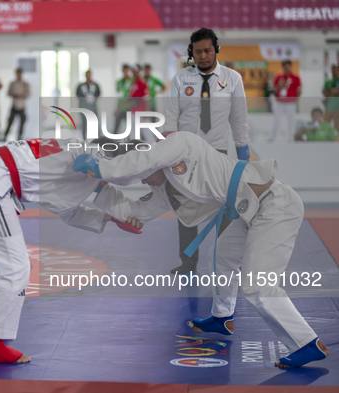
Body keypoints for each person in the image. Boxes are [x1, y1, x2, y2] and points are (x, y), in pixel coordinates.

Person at [74, 131, 329, 369]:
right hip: (246, 212)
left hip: (276, 205)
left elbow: (144, 159)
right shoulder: (164, 191)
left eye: (142, 172)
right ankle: (222, 318)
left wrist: (101, 167)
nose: (143, 179)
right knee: (221, 257)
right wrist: (100, 186)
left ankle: (306, 342)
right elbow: (136, 211)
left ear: (145, 159)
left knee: (257, 283)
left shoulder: (182, 144)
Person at [0, 137, 143, 364]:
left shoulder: (73, 148)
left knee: (4, 263)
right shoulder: (94, 156)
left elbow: (68, 211)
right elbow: (86, 162)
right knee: (14, 267)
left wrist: (110, 217)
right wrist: (100, 172)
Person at [164, 27, 250, 275]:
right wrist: (169, 150)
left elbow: (239, 119)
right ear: (192, 53)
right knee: (185, 209)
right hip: (187, 155)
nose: (203, 56)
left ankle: (227, 261)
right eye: (198, 51)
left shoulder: (232, 79)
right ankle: (188, 263)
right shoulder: (181, 78)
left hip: (218, 154)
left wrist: (243, 155)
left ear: (216, 50)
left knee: (224, 211)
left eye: (208, 50)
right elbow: (171, 116)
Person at [270, 59, 302, 142]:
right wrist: (280, 85)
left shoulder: (295, 77)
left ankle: (291, 138)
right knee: (277, 120)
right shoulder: (279, 76)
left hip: (291, 102)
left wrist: (296, 100)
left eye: (288, 67)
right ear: (283, 67)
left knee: (291, 120)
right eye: (285, 67)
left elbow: (299, 89)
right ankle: (273, 137)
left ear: (290, 66)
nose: (287, 68)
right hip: (280, 102)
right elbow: (274, 89)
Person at [3, 68, 30, 141]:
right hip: (14, 106)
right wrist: (15, 95)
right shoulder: (12, 83)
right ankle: (4, 137)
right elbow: (8, 93)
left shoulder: (25, 84)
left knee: (21, 124)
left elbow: (28, 94)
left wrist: (21, 95)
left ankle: (19, 138)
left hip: (22, 106)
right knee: (9, 123)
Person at [76, 70, 101, 139]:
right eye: (87, 74)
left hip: (93, 107)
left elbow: (99, 94)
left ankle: (97, 139)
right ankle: (84, 139)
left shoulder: (95, 85)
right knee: (84, 124)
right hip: (84, 107)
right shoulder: (81, 86)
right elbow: (77, 94)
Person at [114, 64, 133, 133]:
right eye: (124, 71)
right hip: (120, 108)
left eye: (127, 71)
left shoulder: (132, 82)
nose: (125, 72)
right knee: (116, 127)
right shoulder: (119, 82)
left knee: (131, 128)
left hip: (129, 108)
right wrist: (118, 108)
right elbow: (120, 96)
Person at [322, 64, 339, 132]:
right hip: (328, 107)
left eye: (336, 69)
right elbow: (324, 92)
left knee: (337, 126)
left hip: (337, 107)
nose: (334, 71)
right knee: (326, 125)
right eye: (333, 69)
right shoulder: (328, 81)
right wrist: (335, 91)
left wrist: (330, 92)